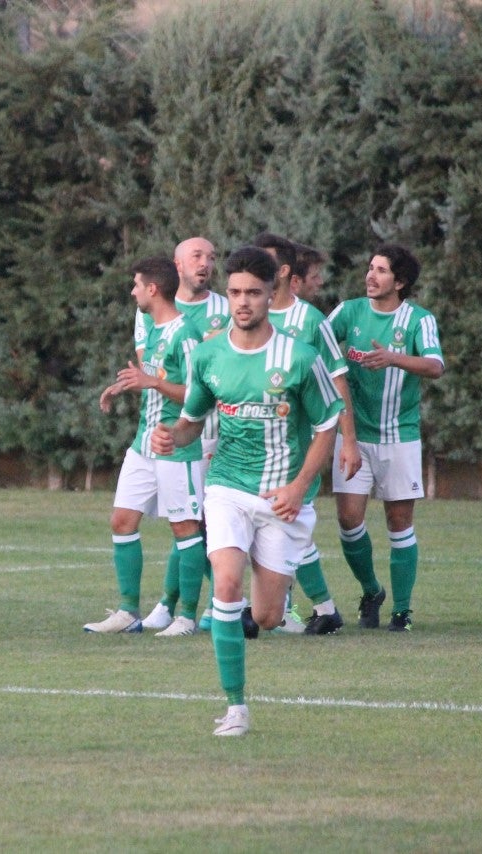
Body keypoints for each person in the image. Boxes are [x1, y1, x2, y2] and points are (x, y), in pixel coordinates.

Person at [152, 246, 343, 736]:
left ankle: (275, 602)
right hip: (227, 488)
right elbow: (193, 422)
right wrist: (172, 434)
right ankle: (236, 706)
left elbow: (327, 426)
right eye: (235, 292)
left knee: (267, 615)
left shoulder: (299, 358)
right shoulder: (210, 354)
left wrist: (301, 487)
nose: (242, 302)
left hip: (281, 498)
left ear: (270, 293)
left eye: (253, 293)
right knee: (226, 584)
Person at [88, 256, 209, 636]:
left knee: (185, 528)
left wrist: (152, 383)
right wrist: (122, 386)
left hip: (177, 445)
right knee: (122, 521)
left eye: (137, 284)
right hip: (143, 443)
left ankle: (186, 616)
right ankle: (127, 612)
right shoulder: (154, 330)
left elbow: (198, 393)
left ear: (153, 289)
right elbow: (150, 378)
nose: (133, 291)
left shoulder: (185, 333)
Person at [327, 244, 444, 632]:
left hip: (399, 437)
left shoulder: (418, 320)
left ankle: (403, 611)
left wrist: (394, 357)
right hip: (353, 437)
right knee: (348, 520)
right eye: (370, 267)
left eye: (381, 270)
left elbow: (435, 366)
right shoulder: (349, 312)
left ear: (401, 281)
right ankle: (371, 589)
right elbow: (318, 345)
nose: (370, 276)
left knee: (398, 522)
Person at [252, 232, 359, 635]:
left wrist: (348, 440)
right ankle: (314, 608)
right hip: (252, 445)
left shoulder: (310, 321)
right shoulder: (246, 318)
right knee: (273, 522)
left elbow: (338, 380)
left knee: (286, 519)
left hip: (300, 444)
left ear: (281, 272)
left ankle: (286, 609)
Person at [132, 237, 229, 632]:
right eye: (196, 256)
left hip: (218, 430)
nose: (205, 263)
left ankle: (214, 604)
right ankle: (174, 603)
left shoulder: (226, 307)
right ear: (176, 266)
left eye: (211, 256)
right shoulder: (150, 312)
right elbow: (150, 370)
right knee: (186, 519)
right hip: (174, 429)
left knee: (201, 522)